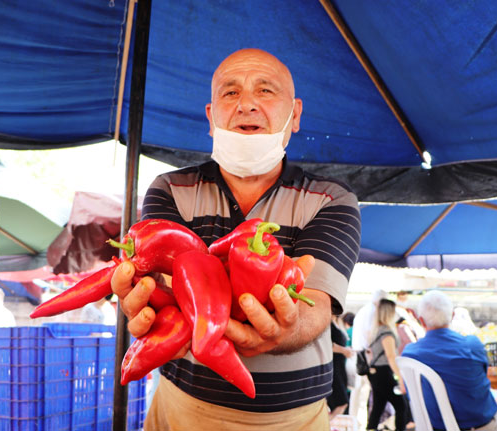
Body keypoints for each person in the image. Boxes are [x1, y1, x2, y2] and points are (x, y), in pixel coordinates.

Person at [111, 48, 362, 430]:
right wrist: (143, 299)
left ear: (294, 115)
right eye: (230, 93)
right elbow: (161, 286)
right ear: (211, 118)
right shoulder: (171, 188)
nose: (246, 104)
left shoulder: (332, 198)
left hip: (293, 421)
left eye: (265, 91)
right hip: (182, 411)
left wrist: (284, 329)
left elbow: (317, 305)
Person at [402, 290, 497, 431]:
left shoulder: (410, 354)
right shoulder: (472, 345)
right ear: (452, 316)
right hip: (481, 426)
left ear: (421, 320)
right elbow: (482, 377)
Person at [365, 299, 407, 431]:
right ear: (389, 313)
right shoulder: (386, 332)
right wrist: (400, 378)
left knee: (378, 407)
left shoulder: (375, 331)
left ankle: (370, 428)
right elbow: (391, 357)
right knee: (401, 406)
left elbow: (371, 353)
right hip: (384, 372)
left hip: (375, 372)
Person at [349, 289, 387, 426]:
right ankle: (364, 424)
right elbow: (369, 335)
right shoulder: (372, 312)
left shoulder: (364, 310)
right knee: (368, 393)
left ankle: (355, 423)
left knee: (359, 392)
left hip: (359, 354)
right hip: (366, 355)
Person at [328, 315, 354, 420]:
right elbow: (328, 345)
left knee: (341, 402)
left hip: (340, 366)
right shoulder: (328, 324)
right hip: (334, 367)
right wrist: (344, 350)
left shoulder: (337, 323)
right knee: (342, 402)